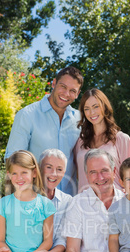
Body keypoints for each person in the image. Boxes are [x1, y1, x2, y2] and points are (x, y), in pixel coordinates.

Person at [5, 66, 84, 196]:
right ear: (54, 83)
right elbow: (12, 161)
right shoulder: (26, 115)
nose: (66, 94)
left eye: (72, 90)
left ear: (77, 94)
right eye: (63, 86)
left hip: (69, 203)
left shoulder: (80, 120)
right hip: (35, 201)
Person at [74, 88, 130, 193]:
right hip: (85, 204)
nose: (92, 112)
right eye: (87, 108)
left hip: (114, 204)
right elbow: (78, 174)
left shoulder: (121, 139)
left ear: (105, 107)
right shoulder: (80, 141)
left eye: (96, 106)